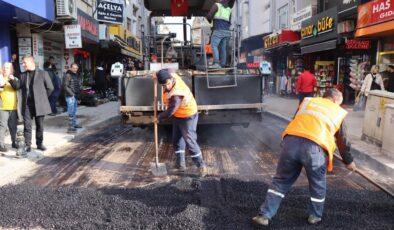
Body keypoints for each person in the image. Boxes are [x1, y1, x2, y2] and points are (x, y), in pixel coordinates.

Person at [252, 88, 357, 226]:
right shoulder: (337, 111)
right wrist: (348, 161)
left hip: (290, 143)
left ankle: (264, 215)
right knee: (317, 184)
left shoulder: (307, 102)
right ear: (336, 100)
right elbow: (342, 140)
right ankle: (315, 216)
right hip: (314, 149)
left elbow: (297, 120)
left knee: (281, 180)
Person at [153, 69, 207, 177]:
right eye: (164, 85)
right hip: (178, 115)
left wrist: (158, 117)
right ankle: (180, 164)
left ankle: (201, 166)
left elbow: (170, 111)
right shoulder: (171, 75)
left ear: (171, 79)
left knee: (190, 141)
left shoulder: (176, 94)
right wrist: (156, 73)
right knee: (176, 140)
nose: (167, 87)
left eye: (168, 83)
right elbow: (168, 69)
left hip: (188, 116)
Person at [9, 55, 54, 152]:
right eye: (23, 63)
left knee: (39, 125)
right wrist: (11, 79)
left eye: (24, 62)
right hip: (27, 105)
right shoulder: (23, 75)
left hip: (40, 105)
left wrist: (42, 98)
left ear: (31, 62)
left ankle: (39, 143)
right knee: (27, 125)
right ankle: (27, 144)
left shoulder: (43, 73)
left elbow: (50, 88)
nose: (23, 64)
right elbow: (17, 86)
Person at [206, 0, 233, 69]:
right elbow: (229, 21)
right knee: (223, 48)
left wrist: (210, 22)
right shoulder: (229, 9)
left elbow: (209, 16)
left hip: (218, 30)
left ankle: (216, 63)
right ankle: (223, 64)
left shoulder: (216, 5)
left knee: (214, 46)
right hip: (227, 31)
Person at [0, 63, 20, 153]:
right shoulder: (0, 79)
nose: (5, 69)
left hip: (13, 107)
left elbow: (17, 87)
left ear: (11, 70)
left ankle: (14, 142)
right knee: (2, 126)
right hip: (2, 107)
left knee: (13, 126)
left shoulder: (15, 79)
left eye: (7, 68)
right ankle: (1, 144)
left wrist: (11, 80)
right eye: (4, 68)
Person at [63, 63, 82, 133]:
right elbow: (65, 86)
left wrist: (78, 96)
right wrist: (72, 94)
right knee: (71, 112)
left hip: (75, 96)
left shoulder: (76, 75)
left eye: (76, 68)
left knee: (74, 111)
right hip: (70, 96)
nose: (75, 69)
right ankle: (70, 127)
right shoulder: (68, 75)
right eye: (74, 68)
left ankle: (73, 124)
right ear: (70, 68)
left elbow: (77, 86)